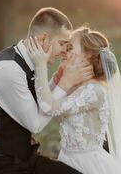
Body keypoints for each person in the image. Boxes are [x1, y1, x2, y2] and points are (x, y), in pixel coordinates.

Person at [0, 7, 93, 174]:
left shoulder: (29, 62)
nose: (64, 51)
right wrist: (65, 83)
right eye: (62, 44)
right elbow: (36, 124)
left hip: (24, 158)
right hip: (1, 163)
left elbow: (40, 101)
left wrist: (58, 78)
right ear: (44, 38)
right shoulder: (8, 70)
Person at [28, 26, 121, 174]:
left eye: (70, 47)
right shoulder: (77, 85)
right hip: (66, 159)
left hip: (87, 166)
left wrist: (40, 65)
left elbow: (48, 107)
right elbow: (46, 99)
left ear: (88, 55)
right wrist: (61, 75)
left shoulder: (94, 91)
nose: (64, 51)